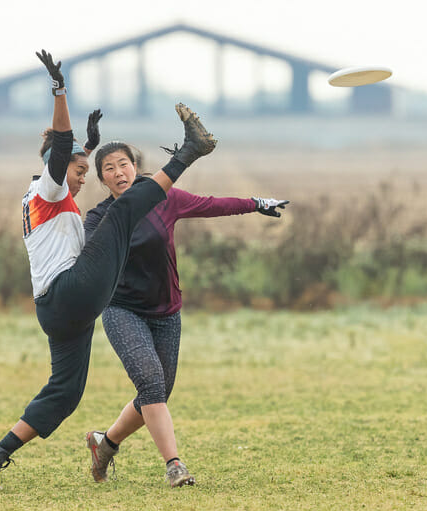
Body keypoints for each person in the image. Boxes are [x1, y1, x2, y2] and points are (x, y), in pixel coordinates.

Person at [0, 49, 217, 491]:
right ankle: (190, 152)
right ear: (55, 168)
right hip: (72, 291)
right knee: (122, 214)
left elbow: (64, 151)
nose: (83, 179)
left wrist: (88, 142)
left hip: (55, 310)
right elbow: (59, 151)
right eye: (80, 171)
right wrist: (60, 90)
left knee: (64, 393)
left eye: (85, 171)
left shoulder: (37, 196)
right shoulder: (49, 185)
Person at [82, 142, 288, 487]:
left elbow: (210, 205)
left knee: (156, 392)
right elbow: (90, 258)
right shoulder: (99, 218)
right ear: (102, 180)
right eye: (109, 169)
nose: (118, 173)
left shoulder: (165, 199)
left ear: (136, 166)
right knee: (151, 384)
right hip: (122, 310)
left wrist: (256, 204)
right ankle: (174, 465)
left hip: (166, 311)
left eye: (123, 164)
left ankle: (105, 442)